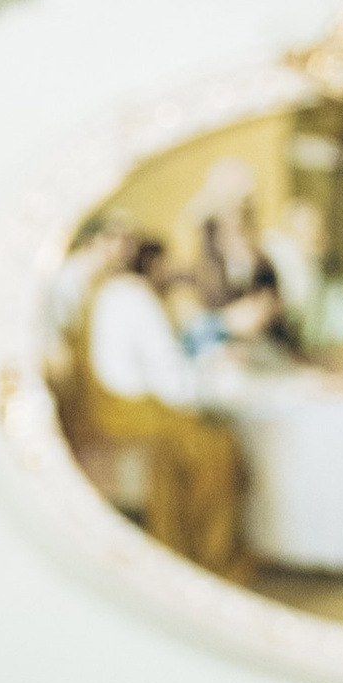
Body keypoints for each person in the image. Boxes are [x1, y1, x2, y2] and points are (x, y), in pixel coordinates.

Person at [77, 236, 246, 575]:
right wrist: (207, 382)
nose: (176, 277)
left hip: (110, 407)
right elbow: (170, 382)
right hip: (132, 412)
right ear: (153, 267)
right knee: (219, 446)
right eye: (169, 269)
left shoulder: (105, 293)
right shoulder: (137, 298)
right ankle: (208, 558)